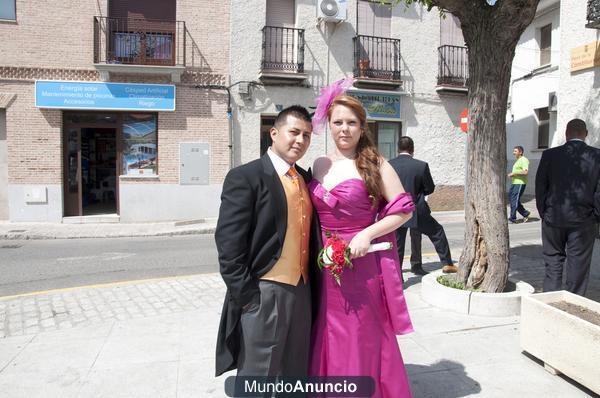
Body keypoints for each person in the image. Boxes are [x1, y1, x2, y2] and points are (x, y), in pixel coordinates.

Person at [308, 82, 414, 397]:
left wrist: (367, 233)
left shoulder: (377, 164)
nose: (344, 129)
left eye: (351, 122)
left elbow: (404, 211)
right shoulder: (319, 164)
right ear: (329, 124)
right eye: (338, 122)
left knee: (360, 333)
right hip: (327, 267)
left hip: (363, 267)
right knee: (329, 332)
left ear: (361, 126)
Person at [215, 105, 316, 379]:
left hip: (303, 290)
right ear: (274, 133)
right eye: (294, 132)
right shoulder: (245, 177)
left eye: (307, 135)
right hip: (265, 291)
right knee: (259, 374)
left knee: (296, 371)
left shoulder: (306, 179)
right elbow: (228, 246)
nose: (300, 141)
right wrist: (249, 298)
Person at [535, 118, 600, 296]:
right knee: (578, 265)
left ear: (566, 133)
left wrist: (544, 212)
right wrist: (595, 217)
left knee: (553, 261)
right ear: (586, 134)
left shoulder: (549, 155)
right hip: (583, 220)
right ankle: (574, 301)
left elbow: (540, 186)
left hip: (553, 218)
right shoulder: (597, 156)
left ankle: (551, 298)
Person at [390, 136, 458, 276]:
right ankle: (445, 264)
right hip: (417, 208)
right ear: (412, 149)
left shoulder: (389, 165)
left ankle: (397, 274)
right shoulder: (421, 165)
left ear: (398, 149)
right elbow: (430, 188)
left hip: (397, 209)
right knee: (436, 232)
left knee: (398, 242)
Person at [508, 145, 531, 223]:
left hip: (520, 183)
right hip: (515, 183)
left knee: (514, 199)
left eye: (515, 151)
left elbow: (525, 172)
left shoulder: (524, 160)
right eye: (514, 151)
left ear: (520, 152)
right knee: (512, 199)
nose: (513, 153)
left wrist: (514, 173)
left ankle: (513, 217)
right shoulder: (518, 160)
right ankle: (525, 213)